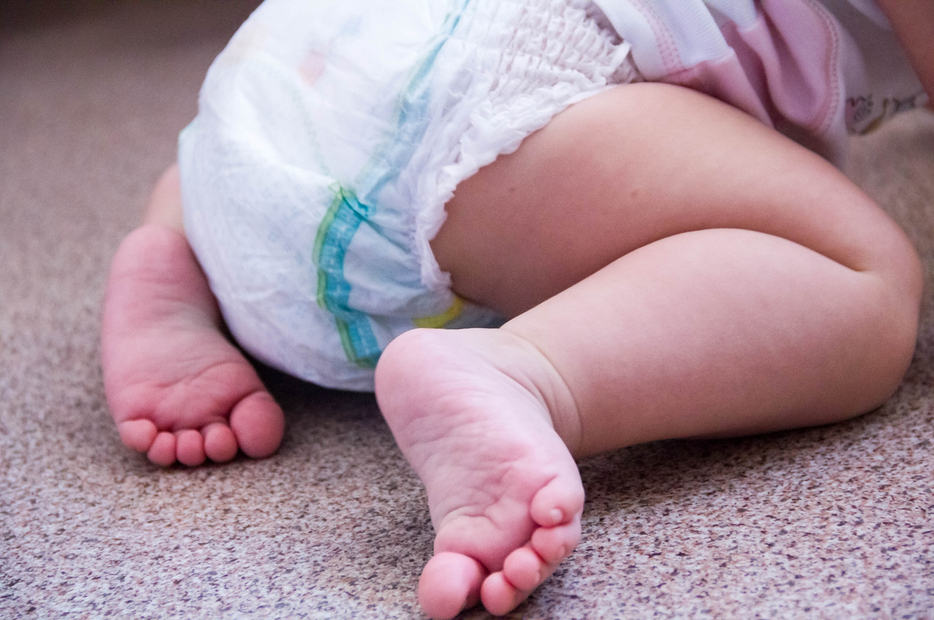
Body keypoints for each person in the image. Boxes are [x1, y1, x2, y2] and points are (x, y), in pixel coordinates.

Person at [101, 1, 933, 618]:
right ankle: (528, 372)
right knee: (860, 277)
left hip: (298, 90)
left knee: (313, 122)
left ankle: (177, 248)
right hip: (513, 81)